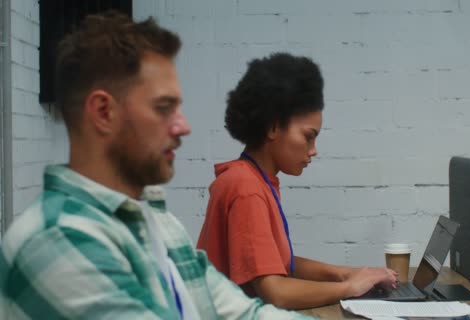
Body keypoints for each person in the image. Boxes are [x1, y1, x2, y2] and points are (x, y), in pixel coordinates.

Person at [0, 12, 313, 320]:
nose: (183, 126)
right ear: (104, 112)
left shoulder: (157, 220)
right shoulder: (58, 242)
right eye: (164, 108)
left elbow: (244, 313)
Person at [196, 52, 398, 310]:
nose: (313, 150)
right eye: (308, 137)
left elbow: (280, 262)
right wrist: (349, 287)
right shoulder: (246, 188)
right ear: (272, 127)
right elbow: (276, 292)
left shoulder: (252, 178)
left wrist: (346, 274)